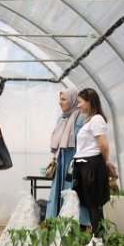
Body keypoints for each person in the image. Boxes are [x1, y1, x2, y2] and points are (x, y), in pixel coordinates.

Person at [73, 88, 114, 246]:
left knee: (93, 204)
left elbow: (103, 145)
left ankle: (98, 239)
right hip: (84, 164)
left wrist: (104, 163)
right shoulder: (88, 121)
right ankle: (97, 238)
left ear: (89, 102)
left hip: (91, 164)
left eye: (80, 102)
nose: (78, 106)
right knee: (90, 204)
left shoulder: (96, 119)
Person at [46, 89, 91, 226]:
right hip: (61, 162)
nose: (60, 102)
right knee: (59, 192)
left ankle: (79, 224)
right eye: (60, 99)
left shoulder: (82, 117)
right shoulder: (61, 119)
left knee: (74, 192)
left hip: (74, 163)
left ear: (72, 100)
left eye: (64, 99)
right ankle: (57, 222)